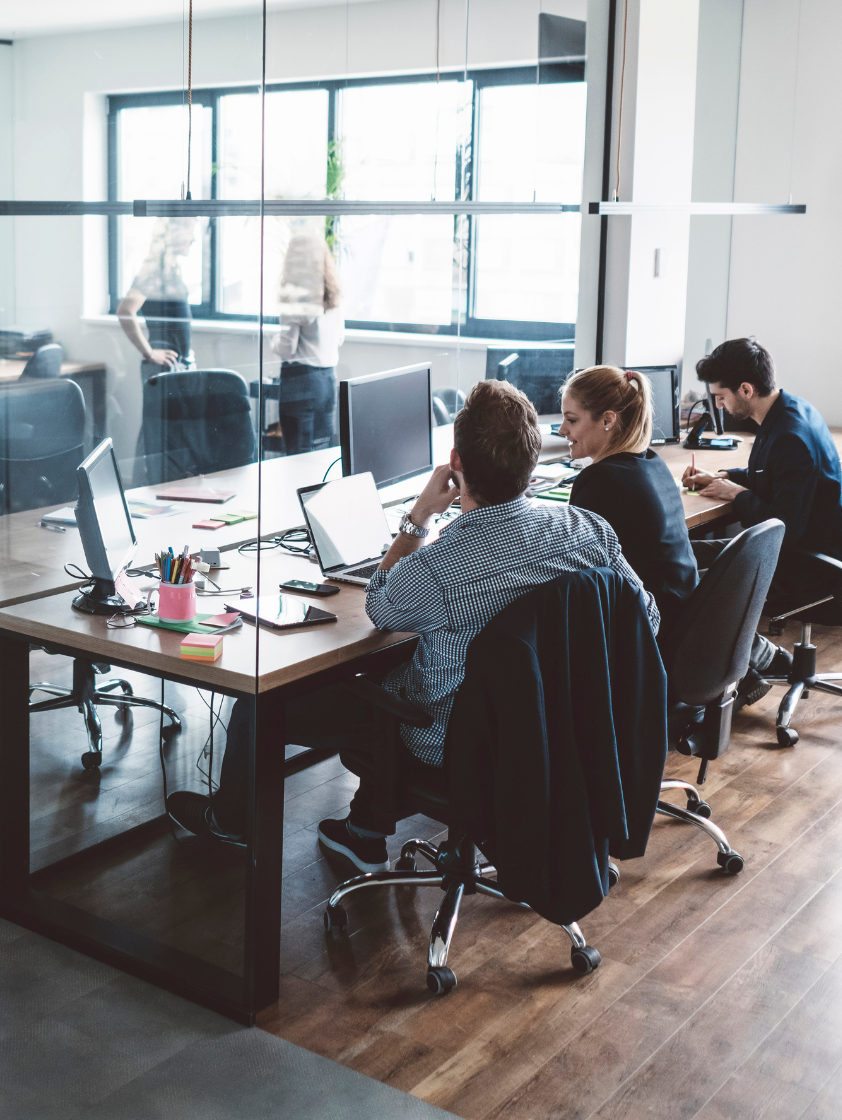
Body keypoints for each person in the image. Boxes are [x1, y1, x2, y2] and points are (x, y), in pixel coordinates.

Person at [165, 380, 661, 872]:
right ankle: (363, 832)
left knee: (259, 705)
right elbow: (647, 620)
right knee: (408, 668)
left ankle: (231, 820)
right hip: (561, 728)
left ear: (457, 463)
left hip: (455, 740)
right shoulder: (588, 530)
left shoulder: (441, 567)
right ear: (531, 465)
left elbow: (380, 607)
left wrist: (419, 516)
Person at [683, 337, 842, 696]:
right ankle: (750, 669)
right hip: (807, 549)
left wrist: (739, 495)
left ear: (745, 389)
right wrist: (726, 477)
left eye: (720, 396)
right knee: (683, 556)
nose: (718, 404)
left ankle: (743, 673)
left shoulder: (790, 436)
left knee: (694, 582)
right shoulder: (788, 411)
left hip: (810, 567)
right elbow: (774, 476)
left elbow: (787, 529)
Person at [561, 366, 697, 629]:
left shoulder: (601, 481)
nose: (562, 430)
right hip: (683, 615)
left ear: (607, 420)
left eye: (572, 420)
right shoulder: (651, 461)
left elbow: (574, 571)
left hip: (649, 629)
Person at [117, 220, 196, 479]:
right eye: (189, 229)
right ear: (173, 233)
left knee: (167, 432)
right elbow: (125, 311)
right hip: (162, 365)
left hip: (178, 364)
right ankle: (142, 487)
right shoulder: (154, 272)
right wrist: (149, 352)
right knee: (155, 432)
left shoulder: (173, 270)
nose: (193, 238)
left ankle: (158, 487)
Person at [272, 227, 343, 454]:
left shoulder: (296, 297)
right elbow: (339, 338)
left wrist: (272, 341)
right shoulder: (333, 296)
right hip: (328, 380)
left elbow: (286, 348)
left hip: (300, 380)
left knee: (297, 456)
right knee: (322, 452)